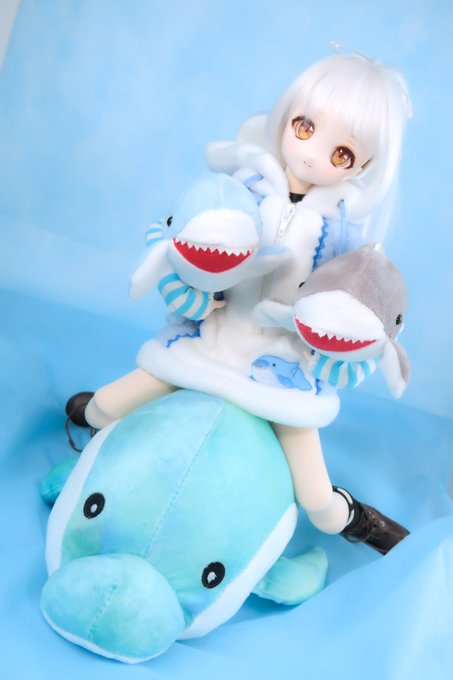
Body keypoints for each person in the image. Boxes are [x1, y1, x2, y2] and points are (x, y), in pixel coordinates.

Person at [67, 50, 412, 554]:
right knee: (107, 404)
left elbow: (359, 310)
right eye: (304, 127)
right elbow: (179, 235)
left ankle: (356, 519)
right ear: (286, 117)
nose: (312, 154)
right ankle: (88, 424)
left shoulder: (346, 235)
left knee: (316, 497)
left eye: (341, 153)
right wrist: (190, 289)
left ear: (364, 165)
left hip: (282, 364)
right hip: (213, 335)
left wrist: (342, 352)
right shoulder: (238, 190)